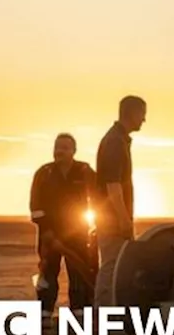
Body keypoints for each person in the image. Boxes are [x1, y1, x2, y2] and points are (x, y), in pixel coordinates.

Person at [29, 133, 98, 315]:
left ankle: (79, 312)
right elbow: (35, 205)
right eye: (57, 146)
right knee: (47, 272)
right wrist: (46, 232)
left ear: (74, 151)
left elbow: (99, 196)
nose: (60, 151)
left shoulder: (84, 171)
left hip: (77, 233)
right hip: (49, 235)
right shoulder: (44, 173)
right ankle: (44, 312)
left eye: (65, 147)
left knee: (79, 274)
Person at [94, 94, 146, 306]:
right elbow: (112, 186)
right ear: (132, 113)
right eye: (142, 114)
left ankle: (107, 314)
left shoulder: (118, 140)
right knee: (112, 266)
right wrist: (123, 219)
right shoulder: (115, 142)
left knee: (115, 266)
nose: (144, 120)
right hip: (112, 218)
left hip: (111, 216)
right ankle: (102, 316)